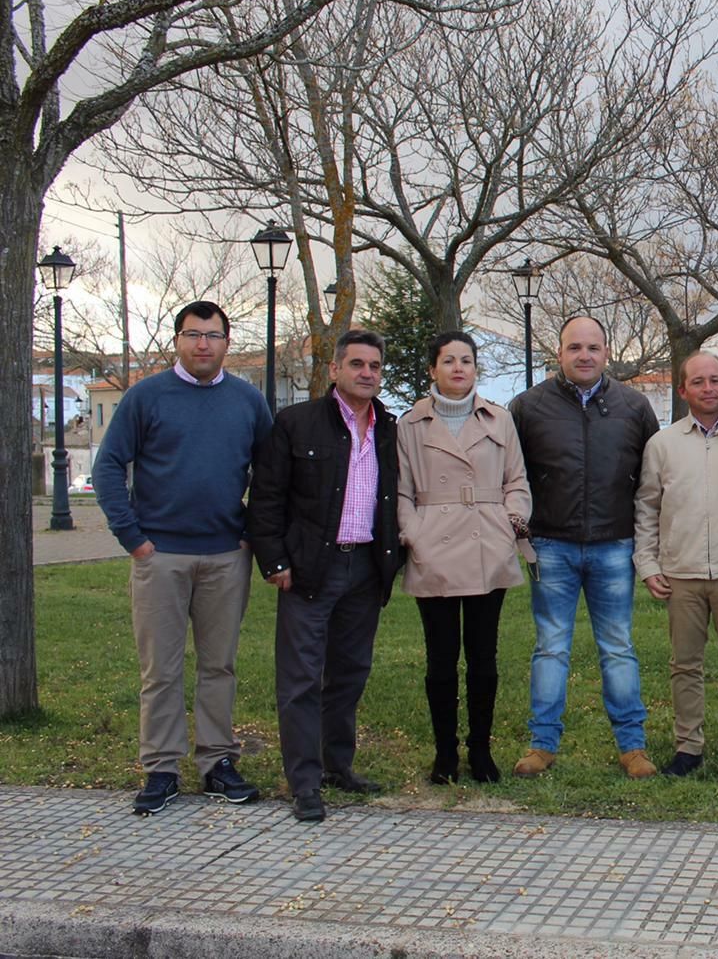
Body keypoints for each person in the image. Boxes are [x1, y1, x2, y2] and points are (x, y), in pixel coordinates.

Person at [94, 300, 273, 816]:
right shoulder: (146, 397)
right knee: (161, 670)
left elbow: (270, 473)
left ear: (227, 343)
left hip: (225, 555)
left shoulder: (247, 401)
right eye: (193, 334)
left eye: (213, 335)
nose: (203, 344)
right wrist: (133, 538)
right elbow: (109, 466)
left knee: (219, 665)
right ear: (177, 341)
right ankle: (161, 769)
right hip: (161, 555)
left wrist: (250, 533)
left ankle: (217, 761)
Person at [248, 329, 404, 823]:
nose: (366, 373)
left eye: (374, 366)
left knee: (350, 673)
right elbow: (267, 497)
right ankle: (304, 782)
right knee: (301, 679)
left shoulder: (388, 428)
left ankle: (338, 765)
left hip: (366, 567)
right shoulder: (296, 423)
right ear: (335, 369)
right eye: (356, 364)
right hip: (311, 568)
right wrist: (275, 561)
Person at [508, 316, 660, 779]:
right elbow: (511, 474)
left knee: (618, 647)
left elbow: (653, 478)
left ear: (607, 352)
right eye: (574, 347)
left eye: (593, 347)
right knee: (551, 647)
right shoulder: (528, 407)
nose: (584, 355)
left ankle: (632, 746)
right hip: (550, 545)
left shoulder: (634, 407)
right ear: (559, 353)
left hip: (614, 545)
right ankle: (542, 744)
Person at [397, 331, 531, 787]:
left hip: (486, 545)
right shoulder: (410, 424)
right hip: (432, 547)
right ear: (432, 369)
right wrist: (414, 534)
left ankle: (480, 749)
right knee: (440, 659)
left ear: (476, 368)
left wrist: (509, 523)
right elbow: (401, 490)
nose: (458, 368)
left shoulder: (500, 419)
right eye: (449, 360)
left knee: (483, 657)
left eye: (467, 360)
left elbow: (517, 480)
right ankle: (444, 752)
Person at [634, 351, 718, 783]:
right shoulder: (662, 445)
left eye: (715, 380)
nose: (708, 388)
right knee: (684, 664)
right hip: (681, 574)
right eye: (697, 382)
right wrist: (648, 563)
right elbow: (647, 508)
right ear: (683, 390)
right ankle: (688, 747)